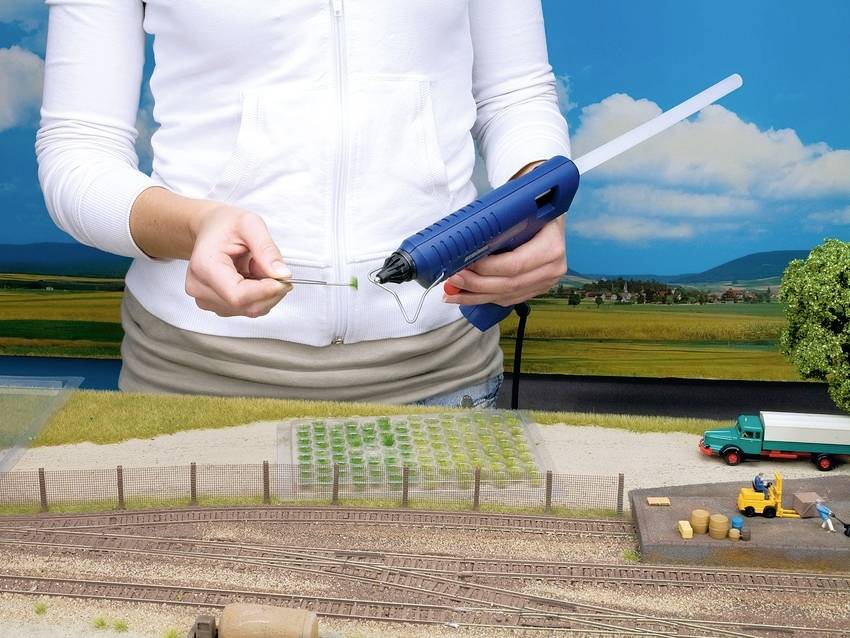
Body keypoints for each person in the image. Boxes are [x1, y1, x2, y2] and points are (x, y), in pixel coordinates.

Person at [36, 1, 569, 407]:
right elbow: (78, 150)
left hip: (442, 370)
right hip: (196, 376)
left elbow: (514, 95)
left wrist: (535, 197)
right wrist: (197, 226)